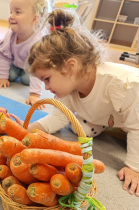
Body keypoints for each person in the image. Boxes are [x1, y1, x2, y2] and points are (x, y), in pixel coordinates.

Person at [11, 9, 139, 197]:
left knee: (133, 132)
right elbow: (57, 118)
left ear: (70, 66)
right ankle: (115, 124)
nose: (46, 87)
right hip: (108, 116)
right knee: (81, 130)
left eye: (47, 79)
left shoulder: (120, 84)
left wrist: (133, 167)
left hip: (134, 113)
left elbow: (137, 127)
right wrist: (27, 129)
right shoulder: (68, 84)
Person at [0, 0, 49, 107]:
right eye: (11, 12)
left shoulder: (38, 42)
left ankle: (23, 74)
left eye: (17, 12)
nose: (11, 16)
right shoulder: (10, 34)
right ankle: (14, 73)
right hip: (15, 63)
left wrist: (35, 94)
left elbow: (38, 67)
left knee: (26, 79)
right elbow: (4, 57)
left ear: (34, 19)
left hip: (31, 68)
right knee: (9, 75)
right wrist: (3, 78)